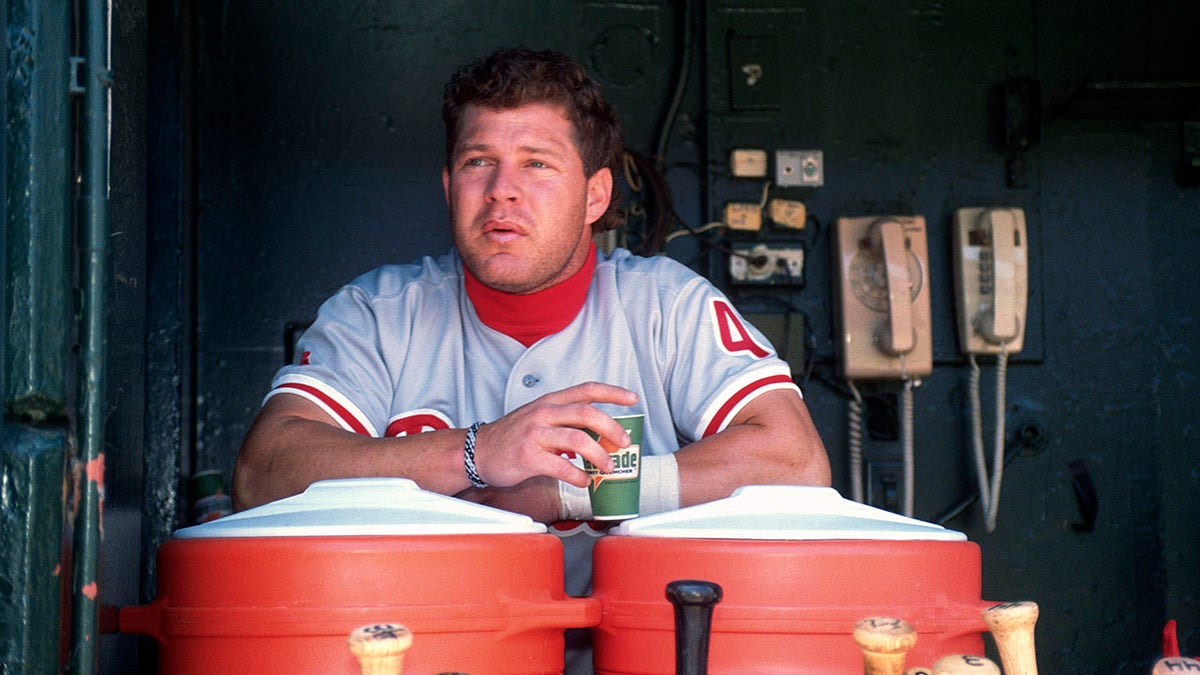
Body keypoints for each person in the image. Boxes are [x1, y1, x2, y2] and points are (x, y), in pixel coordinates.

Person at [233, 46, 830, 671]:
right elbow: (261, 475)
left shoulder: (666, 304)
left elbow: (795, 460)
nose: (502, 192)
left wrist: (567, 495)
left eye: (536, 164)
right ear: (449, 187)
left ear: (595, 195)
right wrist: (475, 452)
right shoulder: (378, 311)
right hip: (430, 653)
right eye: (477, 162)